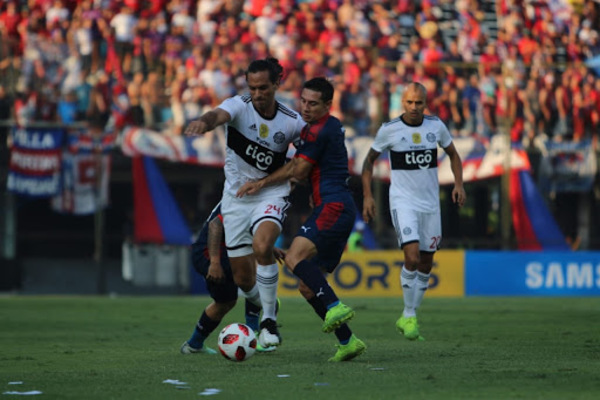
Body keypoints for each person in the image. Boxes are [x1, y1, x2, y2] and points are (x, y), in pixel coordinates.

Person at [237, 77, 366, 362]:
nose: (305, 108)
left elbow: (299, 170)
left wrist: (260, 184)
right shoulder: (324, 128)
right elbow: (305, 171)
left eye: (313, 103)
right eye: (303, 102)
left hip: (333, 205)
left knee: (294, 257)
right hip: (334, 205)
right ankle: (347, 340)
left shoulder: (320, 130)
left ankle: (334, 304)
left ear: (328, 105)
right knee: (307, 286)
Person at [184, 58, 305, 347]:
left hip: (271, 192)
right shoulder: (239, 105)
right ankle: (266, 306)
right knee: (242, 279)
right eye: (253, 87)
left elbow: (306, 159)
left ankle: (268, 323)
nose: (258, 93)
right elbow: (218, 115)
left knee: (263, 246)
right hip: (237, 197)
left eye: (264, 87)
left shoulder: (292, 122)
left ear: (277, 83)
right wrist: (204, 122)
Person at [361, 82, 466, 341]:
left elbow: (453, 154)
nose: (414, 107)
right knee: (412, 256)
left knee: (426, 263)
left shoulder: (436, 126)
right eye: (409, 102)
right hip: (403, 201)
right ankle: (409, 314)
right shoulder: (390, 130)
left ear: (425, 103)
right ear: (402, 102)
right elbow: (368, 162)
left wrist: (459, 184)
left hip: (430, 204)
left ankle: (409, 314)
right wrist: (367, 196)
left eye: (419, 102)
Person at [181, 203, 281, 354]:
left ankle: (194, 345)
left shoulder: (256, 196)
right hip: (211, 252)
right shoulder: (245, 197)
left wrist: (269, 248)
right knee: (251, 283)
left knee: (225, 303)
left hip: (222, 250)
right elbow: (215, 224)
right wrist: (214, 262)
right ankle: (254, 338)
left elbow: (246, 229)